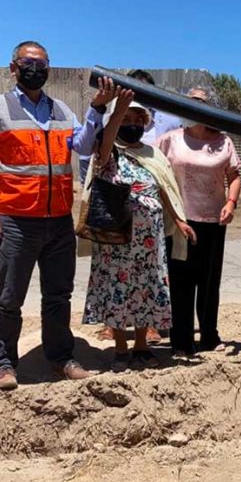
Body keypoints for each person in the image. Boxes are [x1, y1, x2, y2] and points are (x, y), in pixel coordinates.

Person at [0, 40, 110, 390]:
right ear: (13, 67)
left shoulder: (62, 110)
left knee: (59, 295)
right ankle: (3, 364)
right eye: (28, 62)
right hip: (15, 219)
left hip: (58, 219)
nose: (36, 68)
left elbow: (84, 145)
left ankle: (61, 357)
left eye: (42, 63)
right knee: (10, 297)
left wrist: (97, 109)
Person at [83, 89, 195, 371]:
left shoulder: (154, 154)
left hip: (149, 239)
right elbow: (105, 142)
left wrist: (179, 220)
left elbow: (165, 191)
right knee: (118, 288)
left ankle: (142, 347)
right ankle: (121, 349)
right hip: (117, 237)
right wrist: (118, 107)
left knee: (146, 289)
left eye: (137, 118)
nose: (131, 123)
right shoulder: (108, 152)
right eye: (125, 118)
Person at [158, 88, 241, 355]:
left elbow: (235, 175)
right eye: (190, 102)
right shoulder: (170, 140)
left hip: (213, 221)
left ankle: (209, 337)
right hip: (180, 222)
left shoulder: (223, 142)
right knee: (180, 283)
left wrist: (231, 202)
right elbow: (154, 169)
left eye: (201, 103)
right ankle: (181, 342)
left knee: (208, 283)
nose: (195, 107)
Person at [78, 69, 182, 185]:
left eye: (139, 120)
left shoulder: (156, 152)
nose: (133, 125)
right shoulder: (109, 149)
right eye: (126, 119)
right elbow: (90, 154)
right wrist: (108, 108)